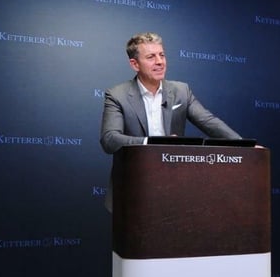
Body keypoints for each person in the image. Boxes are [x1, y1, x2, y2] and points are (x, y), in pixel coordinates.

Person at [100, 32, 241, 208]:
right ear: (135, 64)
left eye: (162, 55)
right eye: (151, 57)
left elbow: (208, 121)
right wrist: (153, 143)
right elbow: (110, 139)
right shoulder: (117, 95)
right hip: (132, 186)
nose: (160, 61)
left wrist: (244, 145)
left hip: (172, 184)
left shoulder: (181, 91)